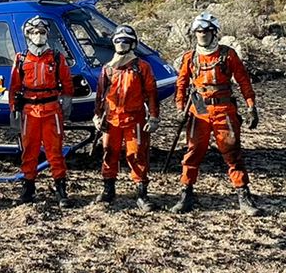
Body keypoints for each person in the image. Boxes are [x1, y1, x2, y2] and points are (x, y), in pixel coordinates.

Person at [174, 11, 260, 214]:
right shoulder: (190, 57)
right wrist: (180, 108)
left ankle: (243, 196)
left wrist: (251, 107)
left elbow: (243, 81)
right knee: (193, 152)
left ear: (214, 32)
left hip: (224, 110)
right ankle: (186, 194)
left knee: (232, 153)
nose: (202, 34)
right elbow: (181, 84)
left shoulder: (228, 55)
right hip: (199, 110)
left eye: (206, 31)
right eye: (198, 31)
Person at [9, 17, 74, 205]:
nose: (39, 35)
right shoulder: (21, 59)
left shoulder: (57, 57)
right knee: (29, 151)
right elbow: (14, 86)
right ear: (28, 35)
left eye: (42, 32)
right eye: (34, 32)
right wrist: (14, 109)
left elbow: (67, 84)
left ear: (47, 34)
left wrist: (67, 103)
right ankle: (28, 189)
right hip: (30, 111)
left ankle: (61, 191)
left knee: (55, 152)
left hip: (52, 110)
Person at [95, 23, 160, 210]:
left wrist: (153, 117)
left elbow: (151, 93)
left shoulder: (142, 67)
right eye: (118, 41)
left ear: (132, 44)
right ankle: (108, 190)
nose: (121, 44)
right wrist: (97, 116)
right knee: (109, 153)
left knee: (137, 154)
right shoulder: (108, 68)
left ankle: (141, 194)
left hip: (135, 119)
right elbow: (100, 94)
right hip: (112, 119)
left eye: (125, 41)